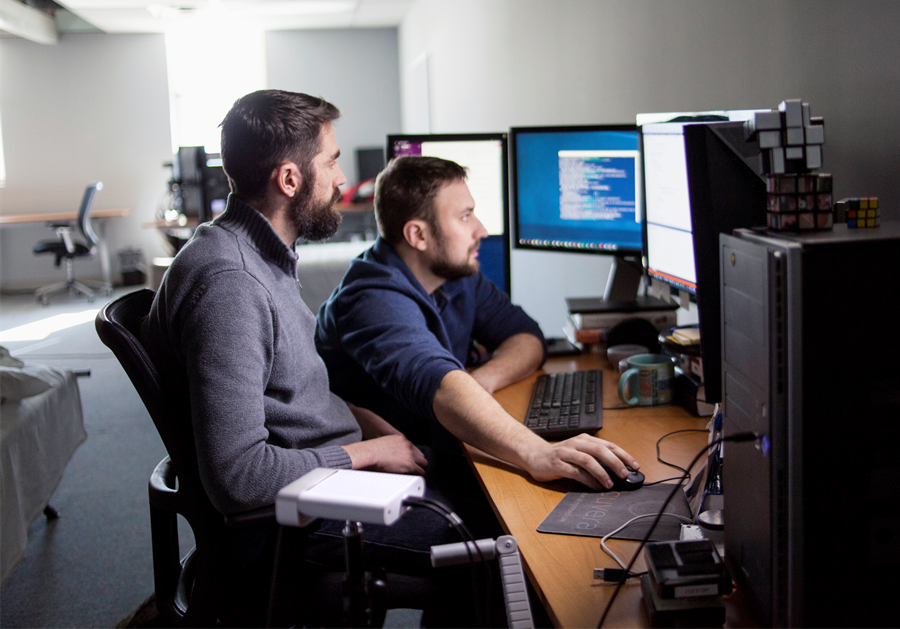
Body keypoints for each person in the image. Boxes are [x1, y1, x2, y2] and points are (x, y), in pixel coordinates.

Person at [140, 90, 468, 626]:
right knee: (494, 542)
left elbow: (287, 390)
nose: (342, 180)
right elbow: (238, 477)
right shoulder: (232, 284)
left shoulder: (260, 257)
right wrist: (370, 453)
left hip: (318, 492)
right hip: (290, 527)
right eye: (332, 162)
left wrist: (362, 422)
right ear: (290, 180)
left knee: (468, 486)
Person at [315, 155, 640, 495]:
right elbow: (437, 383)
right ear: (418, 235)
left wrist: (482, 380)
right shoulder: (371, 298)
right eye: (465, 216)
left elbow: (526, 336)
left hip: (438, 448)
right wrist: (538, 452)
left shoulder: (454, 275)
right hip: (385, 480)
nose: (481, 229)